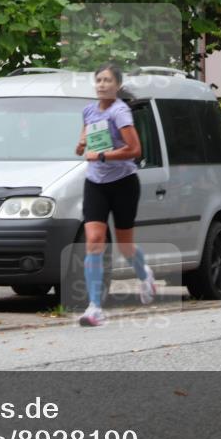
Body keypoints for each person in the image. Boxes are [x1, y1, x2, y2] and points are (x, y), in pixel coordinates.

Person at [74, 63, 157, 326]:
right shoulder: (88, 111)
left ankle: (144, 274)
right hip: (95, 182)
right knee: (94, 241)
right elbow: (81, 146)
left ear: (117, 85)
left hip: (123, 182)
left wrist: (102, 155)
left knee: (124, 244)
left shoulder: (120, 112)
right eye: (98, 80)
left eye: (107, 80)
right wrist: (81, 145)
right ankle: (95, 306)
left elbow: (135, 149)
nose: (101, 85)